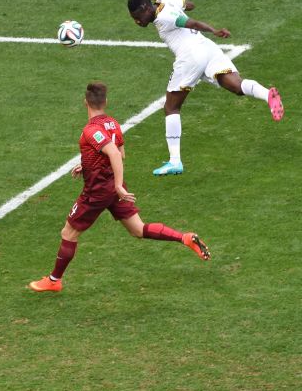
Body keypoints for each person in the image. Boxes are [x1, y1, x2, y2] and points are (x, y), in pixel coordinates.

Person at [29, 82, 210, 293]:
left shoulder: (91, 130)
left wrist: (116, 186)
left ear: (85, 102)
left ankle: (53, 280)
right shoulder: (112, 124)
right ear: (105, 102)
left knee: (69, 233)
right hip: (113, 188)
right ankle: (184, 238)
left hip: (98, 192)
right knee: (138, 229)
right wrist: (87, 166)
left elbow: (115, 153)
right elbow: (119, 153)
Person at [127, 0, 284, 176]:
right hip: (207, 49)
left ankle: (175, 161)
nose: (137, 21)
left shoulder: (164, 17)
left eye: (137, 16)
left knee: (171, 108)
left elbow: (189, 22)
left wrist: (214, 30)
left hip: (190, 56)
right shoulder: (165, 2)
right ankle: (268, 95)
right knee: (236, 85)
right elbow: (190, 5)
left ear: (145, 8)